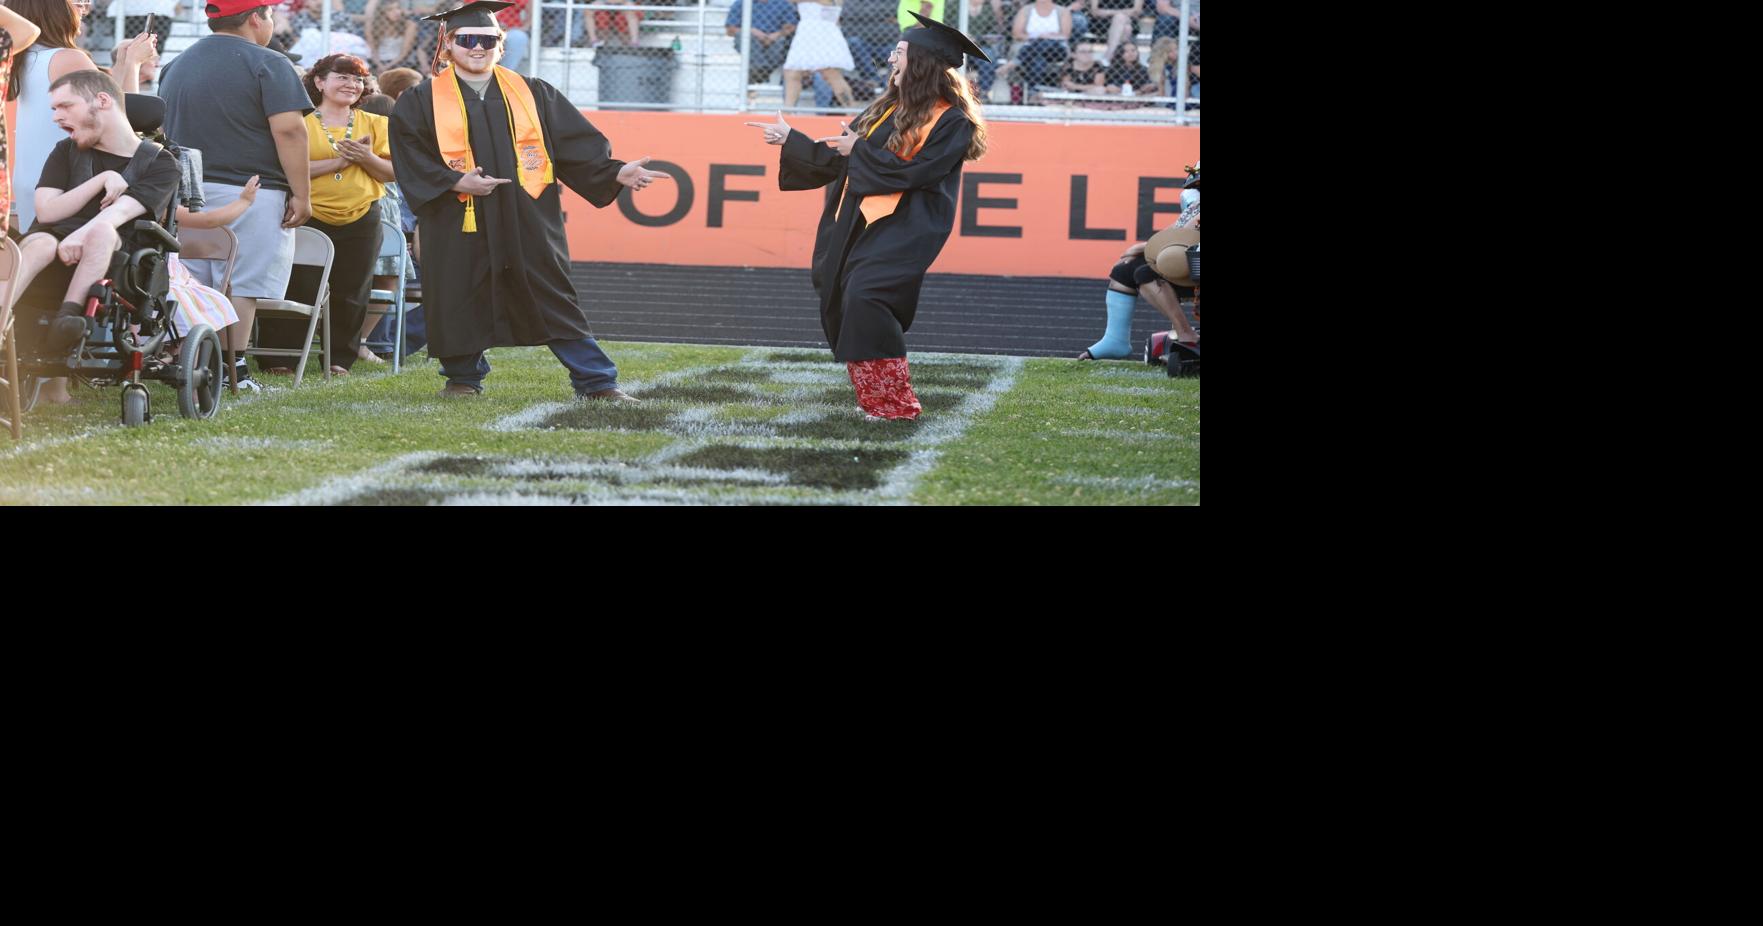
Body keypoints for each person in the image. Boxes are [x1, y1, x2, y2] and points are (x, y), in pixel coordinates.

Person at [389, 0, 671, 400]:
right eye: (467, 39)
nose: (477, 47)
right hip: (458, 215)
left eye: (488, 40)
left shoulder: (533, 92)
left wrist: (614, 171)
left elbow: (574, 146)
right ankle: (463, 379)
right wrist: (453, 181)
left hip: (527, 215)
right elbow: (409, 155)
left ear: (501, 46)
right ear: (448, 44)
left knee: (550, 293)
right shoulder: (421, 100)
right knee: (458, 294)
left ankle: (596, 381)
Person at [747, 12, 987, 420]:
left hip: (908, 225)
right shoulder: (884, 109)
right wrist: (793, 140)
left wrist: (858, 150)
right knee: (851, 298)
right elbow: (842, 156)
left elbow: (917, 173)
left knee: (867, 296)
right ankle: (877, 403)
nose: (892, 59)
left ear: (923, 63)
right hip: (861, 221)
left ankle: (896, 403)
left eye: (900, 52)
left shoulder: (952, 122)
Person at [159, 0, 313, 393]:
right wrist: (302, 193)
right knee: (242, 284)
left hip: (185, 191)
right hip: (251, 189)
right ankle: (233, 368)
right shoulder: (269, 62)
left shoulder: (176, 64)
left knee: (194, 284)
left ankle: (194, 361)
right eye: (271, 14)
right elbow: (290, 131)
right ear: (255, 17)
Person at [10, 69, 181, 354]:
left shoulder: (161, 163)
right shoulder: (66, 150)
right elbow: (47, 211)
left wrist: (83, 234)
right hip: (51, 245)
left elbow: (118, 213)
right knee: (39, 241)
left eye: (66, 106)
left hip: (118, 256)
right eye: (54, 108)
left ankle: (69, 319)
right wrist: (99, 181)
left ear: (102, 100)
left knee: (101, 231)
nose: (56, 117)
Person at [253, 53, 390, 376]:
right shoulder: (301, 122)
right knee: (297, 285)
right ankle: (280, 359)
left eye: (358, 79)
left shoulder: (377, 124)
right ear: (319, 82)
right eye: (342, 76)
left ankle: (339, 359)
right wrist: (338, 163)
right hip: (308, 214)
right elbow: (283, 168)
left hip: (361, 216)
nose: (351, 84)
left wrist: (366, 158)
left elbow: (393, 172)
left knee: (352, 291)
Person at [781, 0, 854, 110]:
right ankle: (787, 113)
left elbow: (832, 2)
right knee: (792, 73)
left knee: (831, 73)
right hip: (805, 31)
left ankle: (852, 113)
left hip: (825, 31)